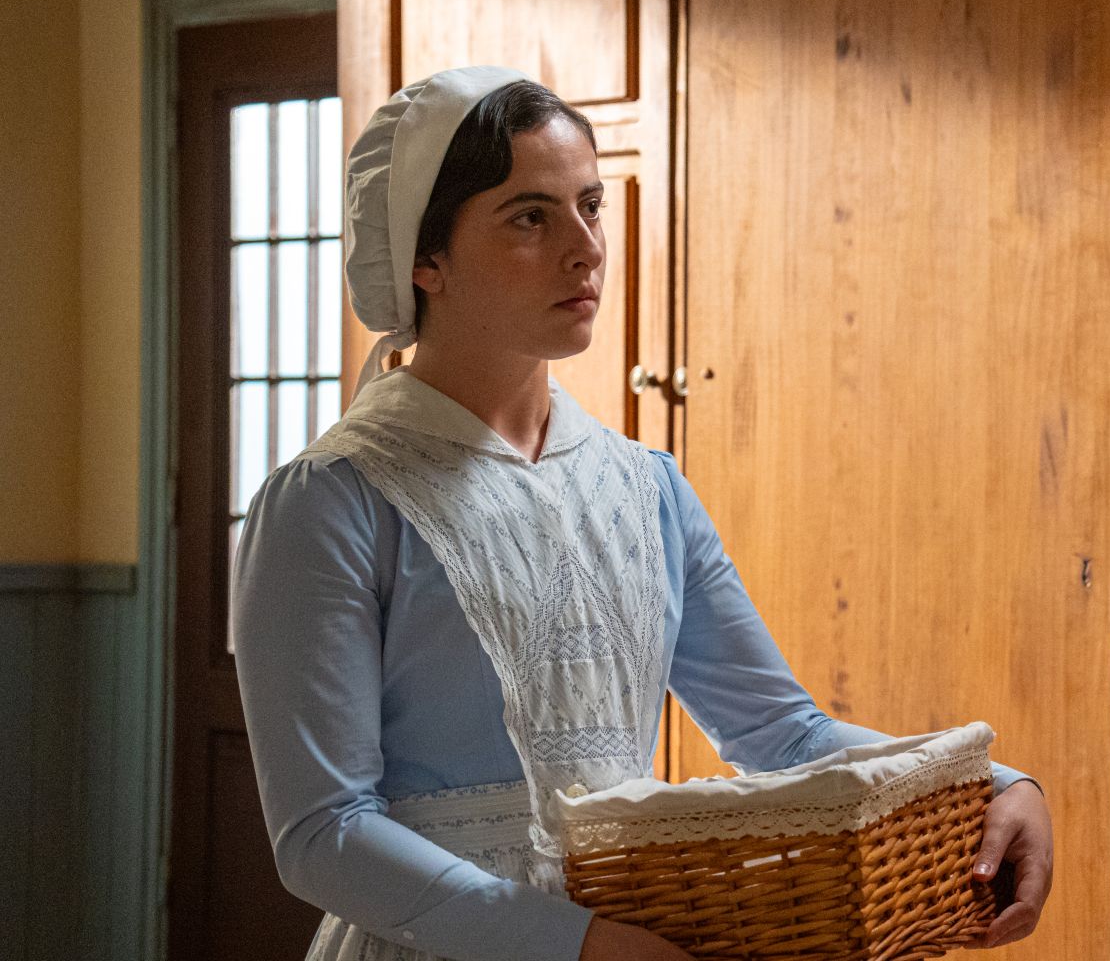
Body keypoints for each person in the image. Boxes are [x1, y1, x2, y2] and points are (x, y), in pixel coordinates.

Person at [232, 67, 1052, 961]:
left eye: (591, 206)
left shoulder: (645, 489)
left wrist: (996, 784)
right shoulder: (333, 500)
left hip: (637, 938)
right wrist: (573, 944)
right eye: (530, 217)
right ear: (423, 259)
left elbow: (784, 734)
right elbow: (324, 834)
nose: (585, 248)